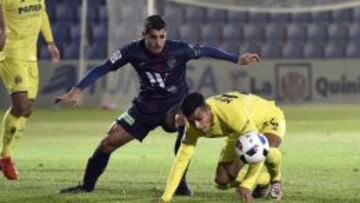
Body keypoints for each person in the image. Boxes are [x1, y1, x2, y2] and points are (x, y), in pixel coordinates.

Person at [56, 15, 260, 195]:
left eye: (162, 36)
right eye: (153, 37)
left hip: (174, 105)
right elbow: (103, 68)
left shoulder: (178, 49)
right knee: (107, 142)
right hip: (144, 108)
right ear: (144, 35)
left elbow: (205, 49)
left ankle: (180, 184)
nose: (158, 42)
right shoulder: (131, 51)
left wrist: (235, 59)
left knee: (182, 121)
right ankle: (86, 186)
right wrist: (77, 89)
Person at [160, 91, 285, 202]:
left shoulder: (232, 114)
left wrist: (247, 184)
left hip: (267, 119)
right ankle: (264, 181)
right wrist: (165, 198)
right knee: (222, 180)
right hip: (240, 130)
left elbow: (257, 146)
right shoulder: (192, 128)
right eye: (192, 121)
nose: (197, 125)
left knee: (266, 149)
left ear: (208, 109)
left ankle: (276, 179)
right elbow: (181, 161)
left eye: (199, 119)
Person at [0, 0, 60, 180]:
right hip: (11, 54)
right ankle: (5, 157)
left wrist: (50, 42)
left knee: (27, 110)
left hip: (30, 56)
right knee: (20, 105)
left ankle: (6, 154)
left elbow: (41, 14)